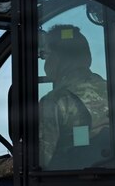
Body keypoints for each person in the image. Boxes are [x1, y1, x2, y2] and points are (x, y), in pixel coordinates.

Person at [38, 25, 109, 168]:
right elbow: (82, 139)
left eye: (45, 56)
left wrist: (0, 167)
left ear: (58, 58)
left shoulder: (56, 101)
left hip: (73, 178)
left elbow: (40, 161)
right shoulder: (114, 90)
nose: (45, 63)